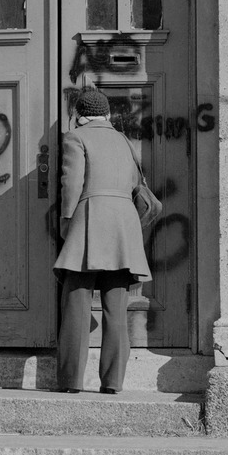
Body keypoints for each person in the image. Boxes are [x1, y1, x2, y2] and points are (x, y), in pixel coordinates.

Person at [54, 88, 152, 394]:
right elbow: (135, 183)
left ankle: (70, 382)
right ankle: (112, 382)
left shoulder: (76, 138)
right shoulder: (124, 140)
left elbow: (72, 183)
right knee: (116, 309)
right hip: (124, 227)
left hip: (89, 223)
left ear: (80, 114)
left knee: (76, 304)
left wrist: (66, 222)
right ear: (107, 114)